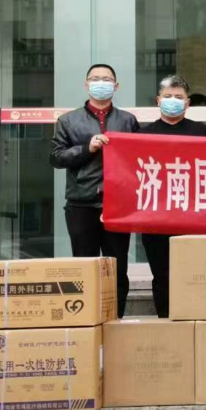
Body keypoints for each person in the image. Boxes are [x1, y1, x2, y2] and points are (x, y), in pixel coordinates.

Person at [50, 63, 139, 317]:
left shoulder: (128, 120)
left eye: (107, 79)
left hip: (118, 205)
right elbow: (56, 157)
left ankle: (116, 317)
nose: (101, 83)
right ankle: (87, 319)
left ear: (116, 86)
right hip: (81, 203)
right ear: (86, 84)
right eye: (95, 79)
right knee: (84, 266)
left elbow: (138, 158)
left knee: (117, 267)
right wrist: (86, 148)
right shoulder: (67, 121)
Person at [139, 75, 206, 317]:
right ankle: (165, 322)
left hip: (193, 217)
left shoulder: (204, 133)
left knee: (193, 273)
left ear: (188, 103)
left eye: (178, 97)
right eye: (167, 96)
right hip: (155, 218)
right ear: (158, 101)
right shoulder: (142, 135)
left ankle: (193, 321)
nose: (173, 101)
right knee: (161, 275)